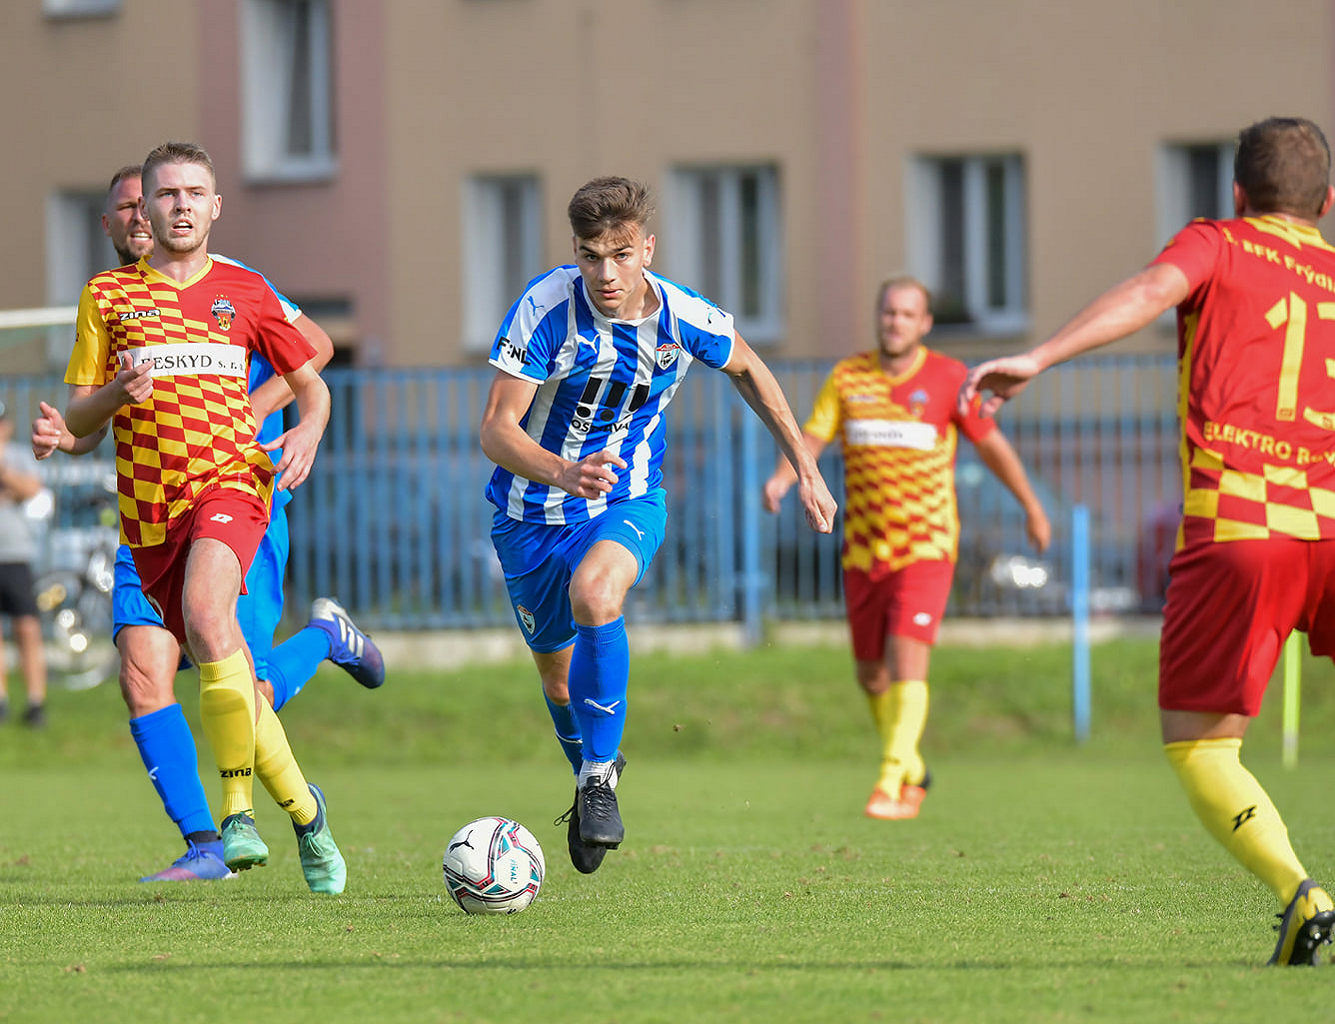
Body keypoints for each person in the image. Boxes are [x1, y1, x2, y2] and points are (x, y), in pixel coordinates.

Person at [961, 116, 1335, 967]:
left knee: (1202, 741)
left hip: (1243, 524)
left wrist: (1042, 355)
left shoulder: (1220, 244)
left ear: (1238, 195)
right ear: (1328, 202)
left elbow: (1147, 291)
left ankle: (1299, 891)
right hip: (1333, 519)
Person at [32, 164, 384, 884]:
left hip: (237, 493)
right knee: (141, 672)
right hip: (149, 508)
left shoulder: (236, 281)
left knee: (236, 675)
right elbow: (87, 419)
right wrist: (67, 436)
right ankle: (207, 844)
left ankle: (323, 644)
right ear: (114, 225)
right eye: (134, 207)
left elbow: (313, 348)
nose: (146, 216)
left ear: (210, 207)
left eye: (159, 199)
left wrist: (267, 408)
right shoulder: (110, 302)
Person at [479, 176, 837, 874]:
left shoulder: (682, 315)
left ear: (647, 248)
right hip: (528, 515)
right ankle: (592, 777)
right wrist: (560, 471)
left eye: (619, 254)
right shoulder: (544, 309)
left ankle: (596, 778)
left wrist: (807, 469)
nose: (605, 274)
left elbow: (753, 372)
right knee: (558, 682)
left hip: (625, 499)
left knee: (596, 595)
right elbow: (495, 429)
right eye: (590, 256)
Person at [761, 277, 1050, 820]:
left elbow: (993, 446)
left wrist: (1032, 506)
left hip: (927, 546)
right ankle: (914, 765)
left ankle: (893, 781)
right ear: (879, 317)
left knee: (908, 659)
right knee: (871, 673)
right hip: (864, 549)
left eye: (906, 314)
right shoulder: (849, 377)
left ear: (925, 324)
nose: (895, 321)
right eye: (888, 312)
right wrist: (783, 478)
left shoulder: (949, 379)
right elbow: (812, 439)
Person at [0, 399, 49, 728]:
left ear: (6, 425)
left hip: (17, 555)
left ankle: (35, 701)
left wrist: (0, 469)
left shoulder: (18, 455)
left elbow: (32, 489)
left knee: (27, 629)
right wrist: (6, 494)